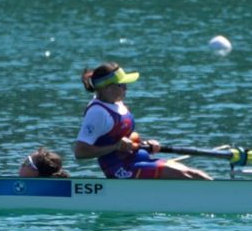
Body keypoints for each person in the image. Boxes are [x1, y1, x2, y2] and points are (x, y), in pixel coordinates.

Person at [73, 62, 212, 180]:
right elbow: (80, 152)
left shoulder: (117, 103)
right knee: (188, 174)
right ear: (108, 88)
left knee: (193, 173)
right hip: (120, 169)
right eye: (122, 85)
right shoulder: (97, 113)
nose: (126, 88)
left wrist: (144, 143)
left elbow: (122, 137)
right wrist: (115, 147)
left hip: (137, 159)